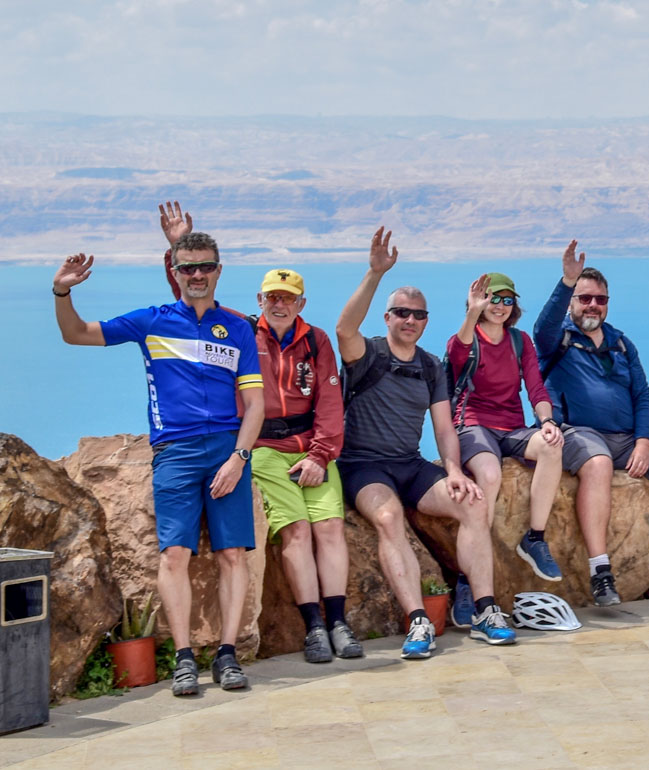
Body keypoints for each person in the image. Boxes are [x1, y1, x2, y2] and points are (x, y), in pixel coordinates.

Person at [56, 213, 263, 697]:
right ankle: (186, 658)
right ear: (174, 270)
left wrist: (239, 459)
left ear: (218, 270)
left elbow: (256, 405)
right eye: (187, 267)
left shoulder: (236, 329)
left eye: (205, 267)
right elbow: (76, 334)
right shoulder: (152, 321)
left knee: (233, 554)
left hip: (228, 449)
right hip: (175, 450)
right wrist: (62, 293)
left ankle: (228, 655)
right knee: (174, 554)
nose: (196, 275)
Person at [335, 227, 515, 657]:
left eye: (417, 315)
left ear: (426, 320)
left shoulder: (431, 366)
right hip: (363, 466)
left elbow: (444, 427)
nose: (410, 320)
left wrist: (454, 470)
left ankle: (485, 609)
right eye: (401, 313)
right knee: (388, 516)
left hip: (410, 464)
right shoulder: (369, 355)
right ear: (388, 318)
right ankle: (419, 620)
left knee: (473, 503)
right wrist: (375, 273)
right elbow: (343, 329)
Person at [536, 242, 649, 606]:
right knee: (597, 465)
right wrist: (566, 281)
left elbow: (643, 396)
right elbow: (543, 325)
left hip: (627, 438)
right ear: (572, 302)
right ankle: (601, 572)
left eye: (600, 299)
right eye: (584, 299)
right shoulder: (558, 340)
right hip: (578, 434)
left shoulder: (621, 344)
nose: (592, 306)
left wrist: (644, 442)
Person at [249, 266, 367, 662]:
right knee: (296, 531)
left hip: (311, 448)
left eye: (287, 298)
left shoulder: (316, 341)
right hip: (264, 448)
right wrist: (175, 255)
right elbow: (195, 306)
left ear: (301, 304)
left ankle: (338, 622)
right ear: (260, 300)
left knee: (330, 527)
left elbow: (330, 404)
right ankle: (313, 627)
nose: (279, 304)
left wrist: (319, 455)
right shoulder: (244, 335)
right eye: (272, 297)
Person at [446, 272, 566, 582]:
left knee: (553, 446)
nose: (499, 306)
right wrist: (472, 313)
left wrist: (547, 421)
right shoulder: (467, 339)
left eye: (506, 300)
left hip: (511, 427)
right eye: (492, 299)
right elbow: (457, 354)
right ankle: (467, 576)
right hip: (473, 425)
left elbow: (536, 387)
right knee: (489, 475)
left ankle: (535, 539)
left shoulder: (519, 340)